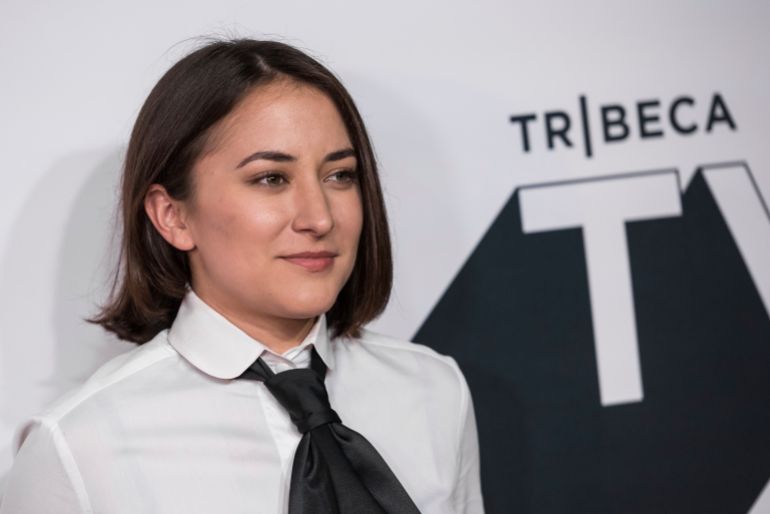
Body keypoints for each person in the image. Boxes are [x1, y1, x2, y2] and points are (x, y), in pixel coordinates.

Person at [0, 38, 484, 513]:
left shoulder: (432, 390)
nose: (319, 218)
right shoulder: (79, 449)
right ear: (173, 215)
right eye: (271, 178)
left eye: (340, 175)